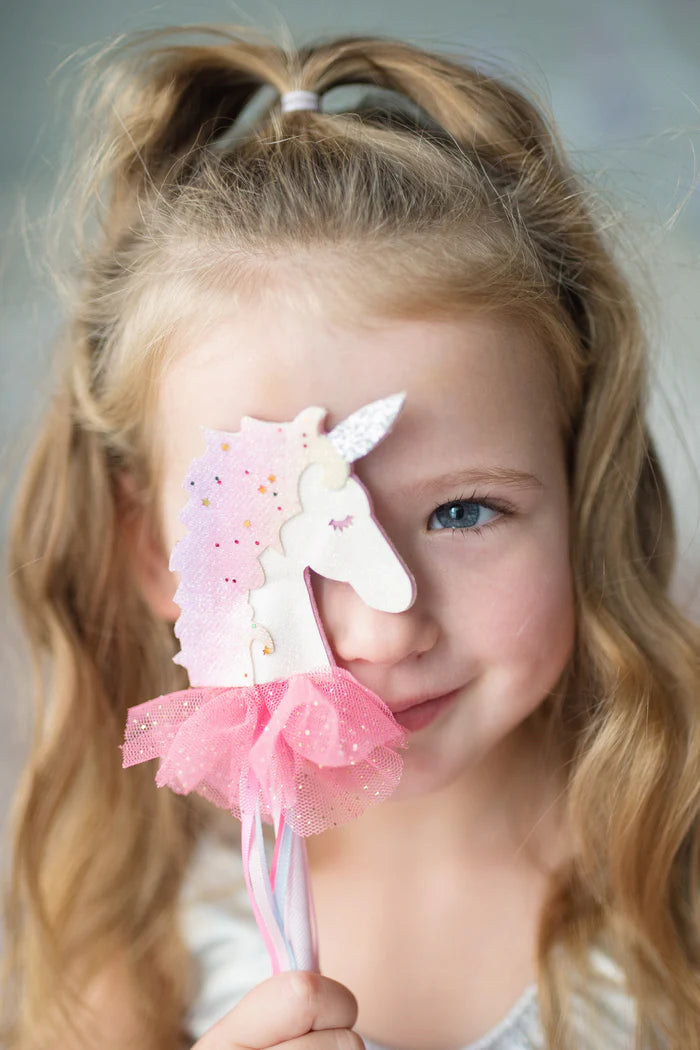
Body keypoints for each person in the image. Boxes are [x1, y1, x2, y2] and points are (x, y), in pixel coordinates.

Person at [1, 23, 698, 1050]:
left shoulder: (674, 875)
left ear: (579, 489)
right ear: (158, 555)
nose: (384, 629)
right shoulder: (136, 939)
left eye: (464, 511)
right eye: (287, 540)